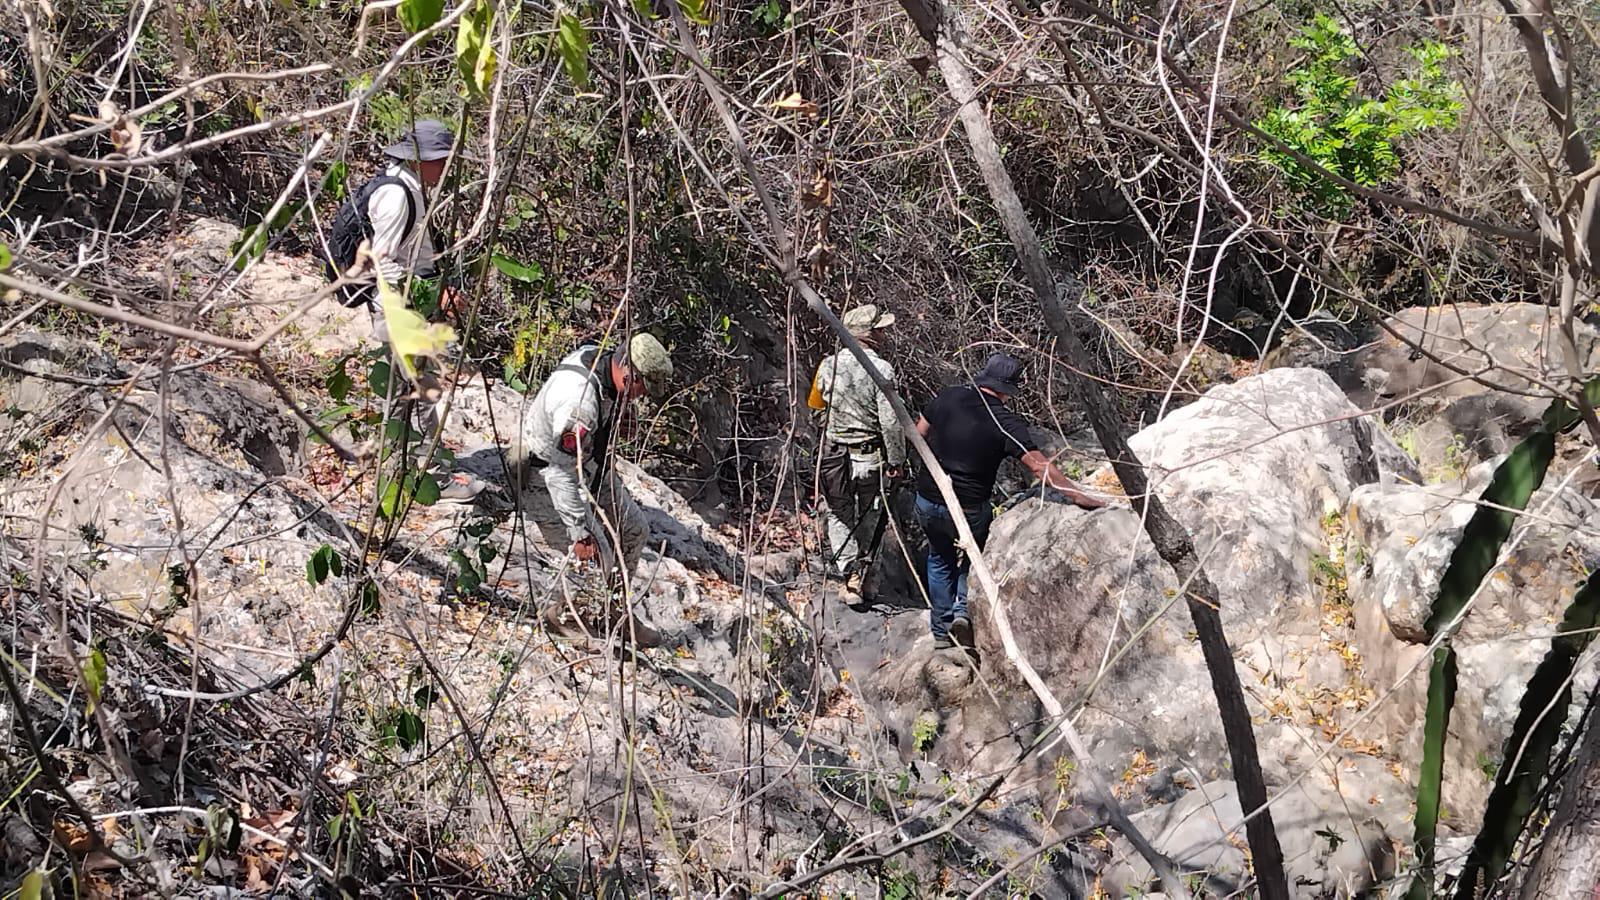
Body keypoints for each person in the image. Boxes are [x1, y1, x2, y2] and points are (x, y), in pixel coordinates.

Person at [914, 352, 1104, 650]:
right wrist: (1078, 495)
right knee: (974, 556)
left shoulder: (948, 397)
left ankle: (941, 631)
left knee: (939, 559)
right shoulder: (1005, 422)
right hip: (968, 506)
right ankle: (963, 612)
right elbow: (1038, 467)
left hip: (928, 497)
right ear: (1009, 389)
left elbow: (919, 432)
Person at [513, 333, 674, 582]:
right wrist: (580, 534)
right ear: (630, 375)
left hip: (591, 466)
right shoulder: (579, 408)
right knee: (599, 563)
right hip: (546, 477)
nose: (641, 396)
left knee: (635, 531)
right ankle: (577, 617)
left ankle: (619, 610)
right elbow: (559, 474)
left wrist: (620, 411)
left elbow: (608, 394)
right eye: (641, 389)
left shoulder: (600, 358)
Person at [810, 305, 906, 593]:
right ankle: (864, 577)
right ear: (869, 335)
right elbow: (891, 422)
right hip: (870, 457)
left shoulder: (828, 365)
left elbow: (815, 406)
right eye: (879, 329)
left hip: (834, 456)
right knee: (870, 515)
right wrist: (897, 459)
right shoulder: (882, 369)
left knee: (839, 515)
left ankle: (849, 574)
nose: (884, 334)